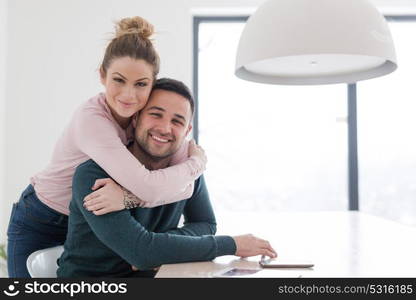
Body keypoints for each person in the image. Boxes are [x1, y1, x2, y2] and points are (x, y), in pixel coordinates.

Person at [7, 17, 206, 278]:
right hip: (42, 218)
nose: (128, 95)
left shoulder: (146, 124)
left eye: (141, 84)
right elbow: (154, 185)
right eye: (119, 80)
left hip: (88, 217)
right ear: (102, 75)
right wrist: (196, 164)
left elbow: (186, 187)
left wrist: (134, 197)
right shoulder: (92, 121)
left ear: (152, 84)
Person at [57, 78, 277, 277]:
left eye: (177, 121)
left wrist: (162, 247)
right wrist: (232, 244)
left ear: (187, 130)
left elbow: (205, 223)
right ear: (136, 118)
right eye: (156, 114)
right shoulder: (93, 175)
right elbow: (141, 253)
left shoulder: (187, 172)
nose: (164, 128)